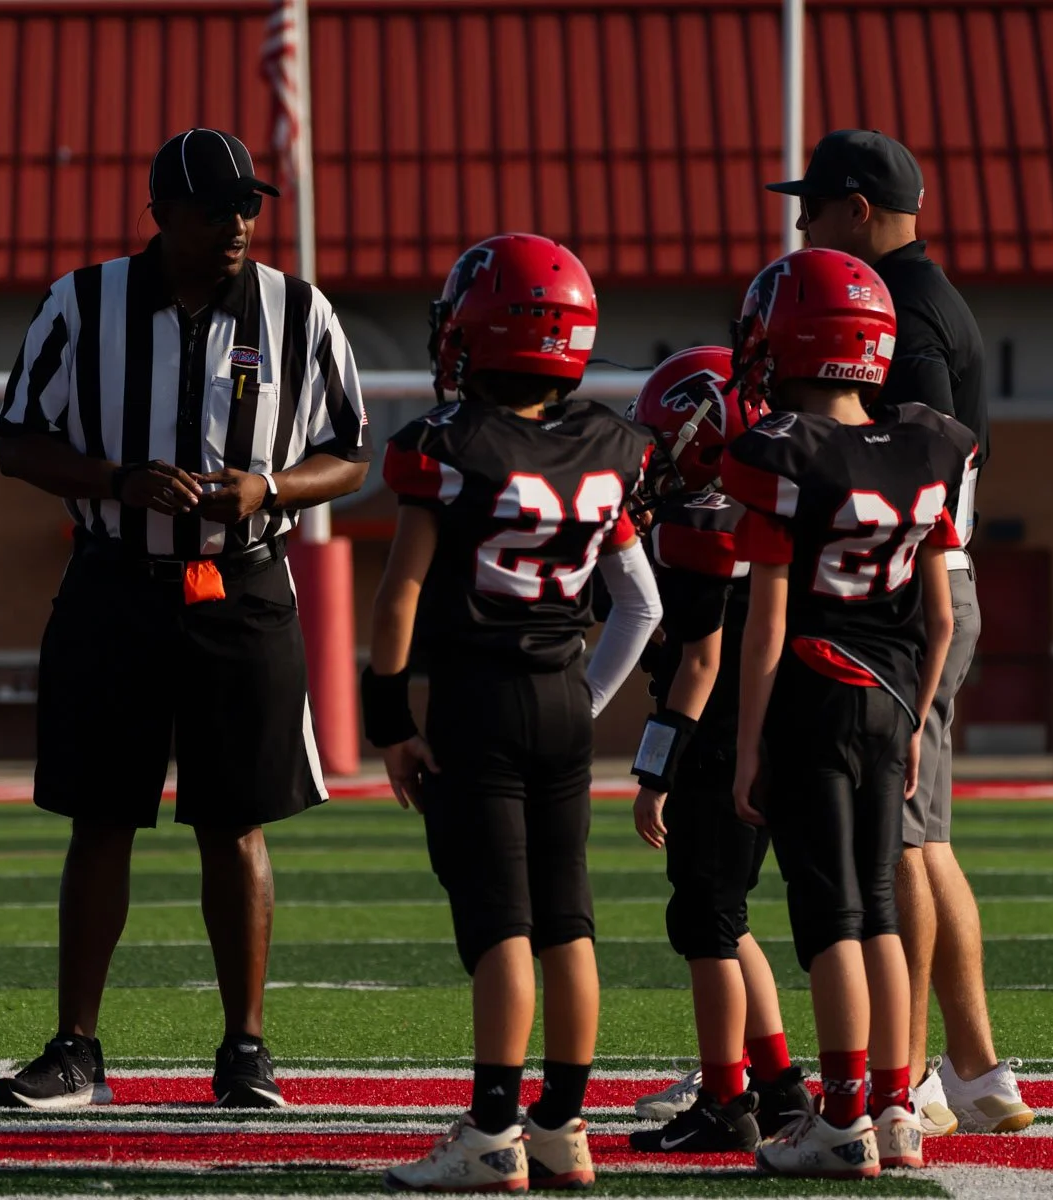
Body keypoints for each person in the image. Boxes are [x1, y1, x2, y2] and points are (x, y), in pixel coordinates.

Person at [0, 128, 369, 1110]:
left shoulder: (298, 308)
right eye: (216, 210)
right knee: (101, 816)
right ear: (163, 213)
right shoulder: (83, 303)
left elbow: (350, 452)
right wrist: (119, 480)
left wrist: (270, 488)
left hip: (239, 584)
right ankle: (77, 1045)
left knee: (235, 821)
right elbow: (17, 442)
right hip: (115, 581)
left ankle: (246, 1047)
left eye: (249, 206)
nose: (238, 225)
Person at [368, 234, 661, 1191]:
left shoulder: (445, 447)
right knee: (568, 916)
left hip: (478, 702)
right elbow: (637, 600)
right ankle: (562, 1126)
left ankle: (493, 1130)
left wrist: (388, 719)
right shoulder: (615, 446)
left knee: (500, 921)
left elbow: (401, 594)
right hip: (563, 701)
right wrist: (585, 697)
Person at [765, 129, 1026, 1136]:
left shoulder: (901, 314)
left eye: (814, 206)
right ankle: (975, 1067)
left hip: (904, 596)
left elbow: (903, 467)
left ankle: (908, 1075)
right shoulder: (936, 297)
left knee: (896, 846)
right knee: (925, 841)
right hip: (929, 583)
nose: (801, 225)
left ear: (857, 210)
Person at [722, 248, 972, 1177]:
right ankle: (896, 1107)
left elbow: (767, 624)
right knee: (877, 909)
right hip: (895, 696)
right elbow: (941, 614)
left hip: (814, 694)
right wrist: (913, 721)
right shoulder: (929, 441)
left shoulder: (784, 454)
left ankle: (838, 1120)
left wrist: (748, 747)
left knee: (828, 916)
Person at [621, 348, 810, 1155]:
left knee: (704, 920)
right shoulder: (761, 510)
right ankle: (780, 1086)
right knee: (727, 920)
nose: (654, 454)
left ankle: (727, 1098)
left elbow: (697, 665)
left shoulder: (707, 526)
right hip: (765, 735)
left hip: (717, 741)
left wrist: (652, 772)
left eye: (667, 437)